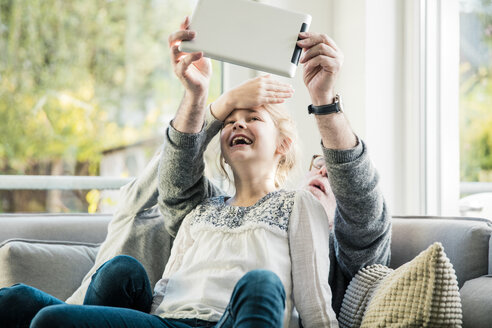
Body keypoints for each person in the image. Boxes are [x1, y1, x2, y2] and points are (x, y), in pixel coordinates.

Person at [0, 16, 391, 328]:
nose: (323, 175)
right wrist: (200, 97)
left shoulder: (330, 236)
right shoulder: (203, 211)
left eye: (334, 174)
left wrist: (323, 101)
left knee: (260, 284)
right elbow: (174, 184)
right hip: (173, 317)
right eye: (316, 169)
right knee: (33, 296)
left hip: (243, 311)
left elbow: (362, 211)